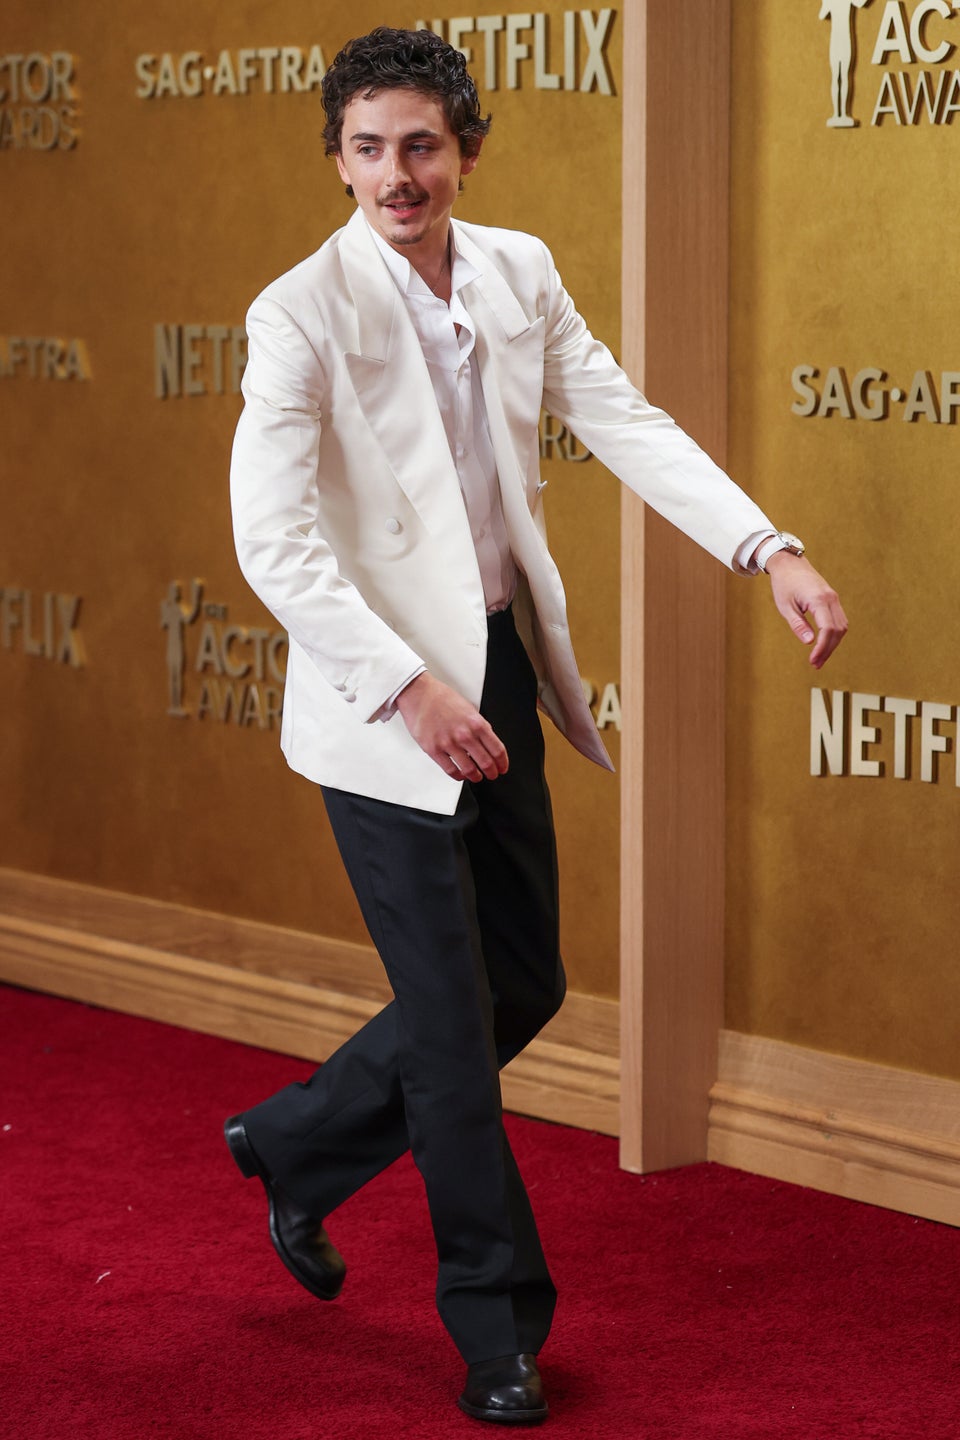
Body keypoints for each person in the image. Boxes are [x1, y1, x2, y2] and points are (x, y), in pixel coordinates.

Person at [226, 26, 847, 1426]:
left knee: (525, 985)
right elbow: (274, 543)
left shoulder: (518, 270)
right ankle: (495, 1328)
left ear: (466, 149)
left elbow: (623, 420)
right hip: (382, 706)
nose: (398, 174)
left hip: (500, 670)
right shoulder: (298, 314)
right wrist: (407, 687)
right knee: (453, 1029)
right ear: (339, 160)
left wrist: (769, 549)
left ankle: (298, 1144)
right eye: (370, 149)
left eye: (422, 146)